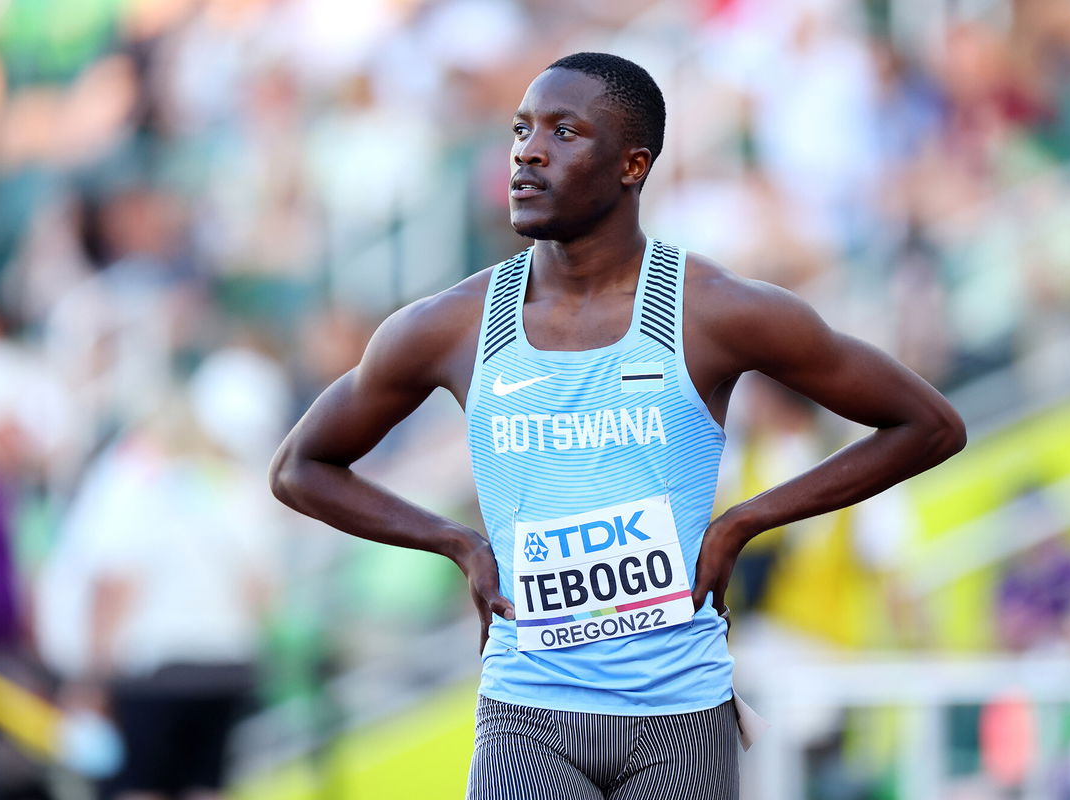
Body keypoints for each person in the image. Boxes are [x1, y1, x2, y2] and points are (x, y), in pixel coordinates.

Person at [269, 52, 966, 800]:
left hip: (681, 716)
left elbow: (927, 425)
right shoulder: (452, 326)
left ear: (633, 165)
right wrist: (456, 542)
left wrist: (742, 523)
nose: (528, 151)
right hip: (527, 713)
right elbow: (299, 469)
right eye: (521, 129)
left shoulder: (715, 310)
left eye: (564, 132)